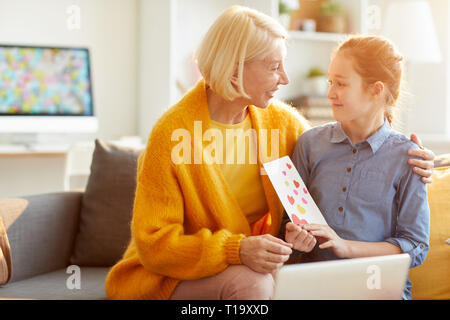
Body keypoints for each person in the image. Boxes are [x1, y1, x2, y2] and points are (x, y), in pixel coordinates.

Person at [105, 7, 434, 300]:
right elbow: (155, 244)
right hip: (174, 272)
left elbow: (343, 158)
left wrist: (428, 165)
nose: (286, 78)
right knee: (257, 285)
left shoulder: (286, 126)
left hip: (264, 266)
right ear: (234, 69)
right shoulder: (172, 135)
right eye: (274, 66)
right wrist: (236, 249)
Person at [283, 35, 430, 300]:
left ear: (376, 90)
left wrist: (345, 247)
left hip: (378, 288)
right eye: (330, 82)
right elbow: (288, 227)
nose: (330, 93)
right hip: (315, 285)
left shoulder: (409, 158)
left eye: (340, 84)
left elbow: (416, 247)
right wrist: (294, 241)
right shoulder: (310, 144)